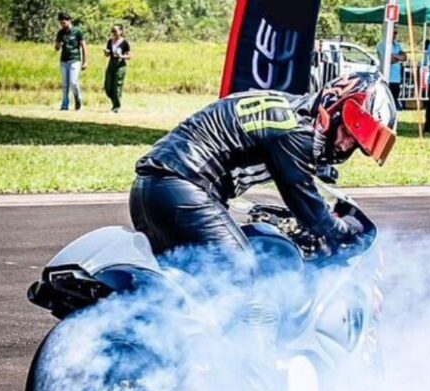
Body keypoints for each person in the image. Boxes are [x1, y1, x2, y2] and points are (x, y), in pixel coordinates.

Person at [130, 72, 398, 259]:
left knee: (194, 282)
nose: (345, 146)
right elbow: (307, 207)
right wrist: (347, 233)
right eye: (349, 132)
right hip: (183, 186)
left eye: (356, 144)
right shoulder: (296, 132)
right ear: (336, 106)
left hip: (155, 186)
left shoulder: (292, 114)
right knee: (247, 285)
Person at [54, 11, 87, 111]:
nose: (62, 25)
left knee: (73, 82)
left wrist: (85, 61)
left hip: (75, 59)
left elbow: (83, 46)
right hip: (64, 60)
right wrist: (58, 45)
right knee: (65, 84)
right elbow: (56, 47)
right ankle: (65, 105)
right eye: (61, 23)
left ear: (69, 21)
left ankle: (78, 100)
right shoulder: (60, 33)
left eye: (64, 23)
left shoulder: (77, 31)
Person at [102, 24, 131, 112]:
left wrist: (121, 56)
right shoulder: (110, 41)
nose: (113, 33)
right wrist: (106, 52)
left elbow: (129, 56)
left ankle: (116, 107)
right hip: (111, 65)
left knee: (117, 87)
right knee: (108, 86)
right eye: (112, 31)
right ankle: (114, 101)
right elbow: (108, 54)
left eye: (115, 31)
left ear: (121, 32)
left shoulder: (124, 43)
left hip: (120, 66)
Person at [376, 26, 406, 108]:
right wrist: (397, 57)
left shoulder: (397, 45)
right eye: (392, 32)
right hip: (386, 78)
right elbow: (388, 60)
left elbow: (404, 57)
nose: (394, 35)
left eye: (395, 33)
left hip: (396, 79)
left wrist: (394, 56)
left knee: (393, 102)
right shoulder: (381, 45)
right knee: (385, 103)